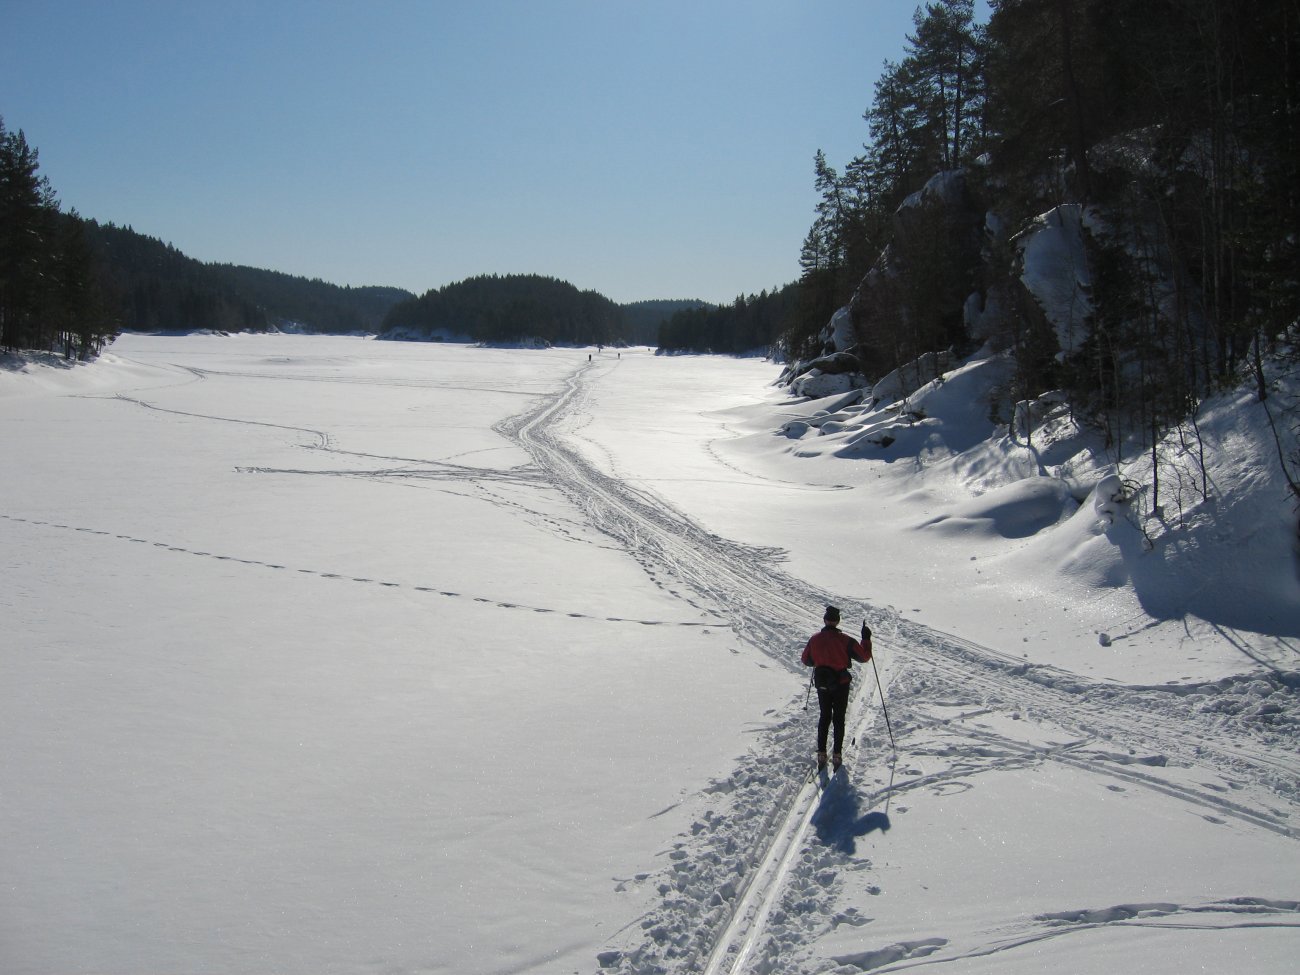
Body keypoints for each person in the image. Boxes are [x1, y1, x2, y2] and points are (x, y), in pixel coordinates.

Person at [801, 605, 872, 770]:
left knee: (824, 716)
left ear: (825, 620)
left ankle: (821, 753)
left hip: (822, 683)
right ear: (838, 621)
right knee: (838, 718)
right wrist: (866, 639)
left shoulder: (814, 639)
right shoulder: (846, 640)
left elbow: (805, 659)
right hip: (841, 684)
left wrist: (817, 661)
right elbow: (864, 657)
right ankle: (837, 755)